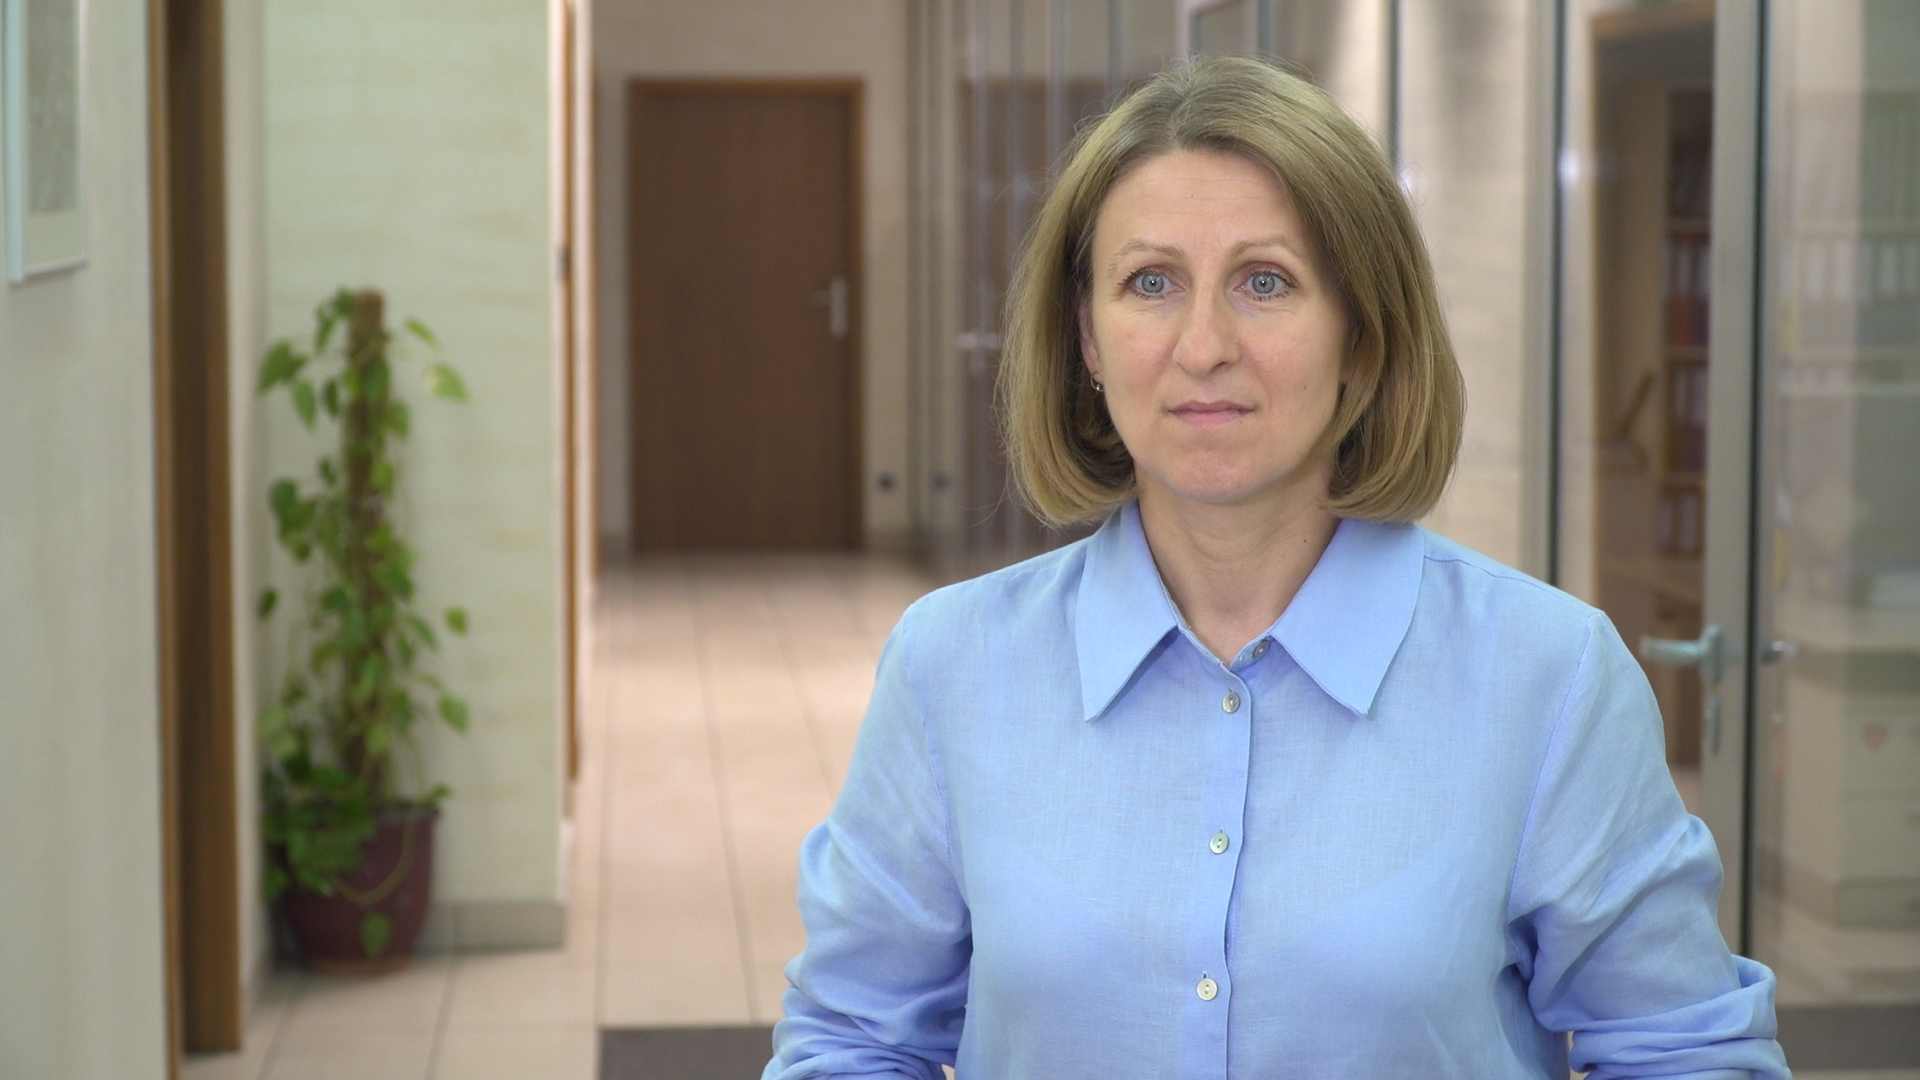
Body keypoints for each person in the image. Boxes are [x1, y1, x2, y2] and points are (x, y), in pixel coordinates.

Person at [763, 56, 1788, 1079]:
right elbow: (851, 1040)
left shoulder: (1547, 677)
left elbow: (1685, 1053)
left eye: (1266, 282)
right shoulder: (952, 666)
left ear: (1363, 337)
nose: (1203, 345)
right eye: (1150, 283)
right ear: (1087, 338)